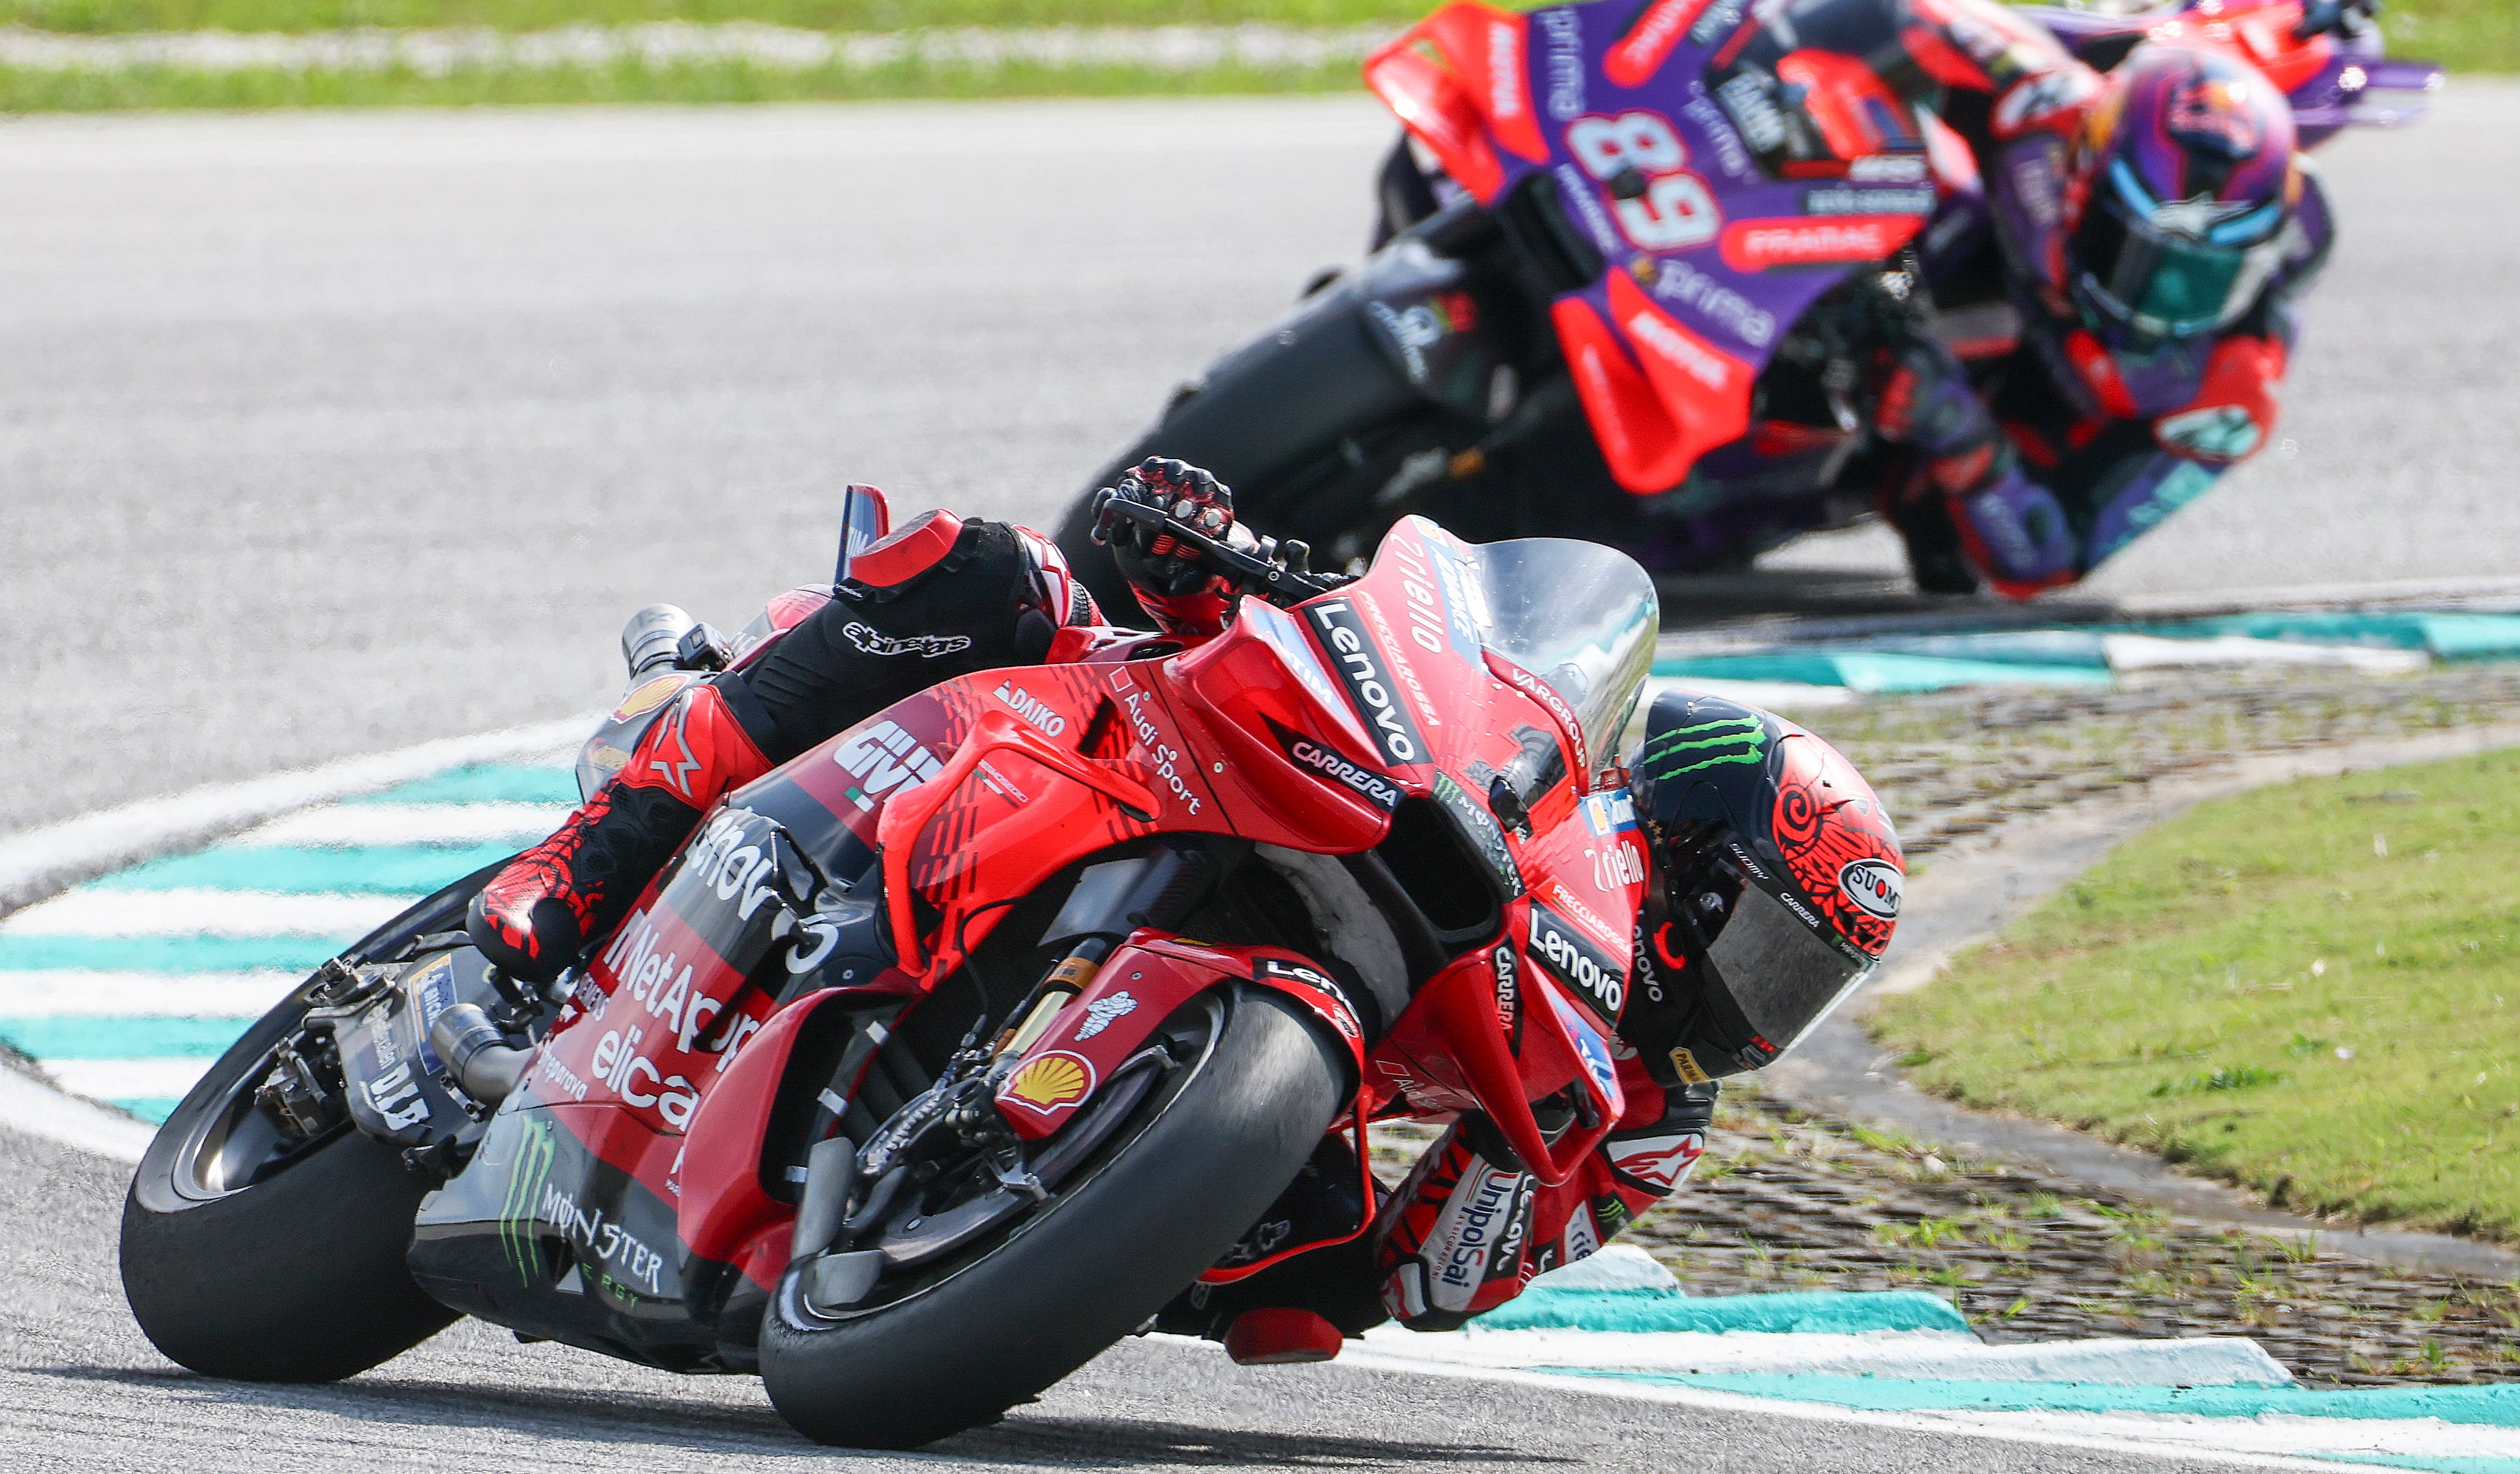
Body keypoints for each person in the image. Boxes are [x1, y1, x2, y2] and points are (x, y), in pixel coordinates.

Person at [467, 458, 1896, 1356]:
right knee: (994, 573)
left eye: (1799, 985)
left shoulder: (1640, 1118)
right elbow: (1392, 636)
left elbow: (1435, 1278)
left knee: (1292, 1295)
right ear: (1684, 863)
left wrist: (1225, 1242)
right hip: (1150, 757)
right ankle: (591, 849)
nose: (1758, 1004)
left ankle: (963, 1198)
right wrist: (1223, 550)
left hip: (1275, 1070)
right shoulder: (1550, 786)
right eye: (1764, 946)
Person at [1580, 0, 2328, 597]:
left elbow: (2052, 556)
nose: (2161, 300)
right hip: (1881, 251)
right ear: (2085, 184)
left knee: (1651, 528)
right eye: (2141, 256)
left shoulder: (2223, 393)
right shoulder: (2052, 112)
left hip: (1940, 433)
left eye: (2200, 279)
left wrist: (1957, 431)